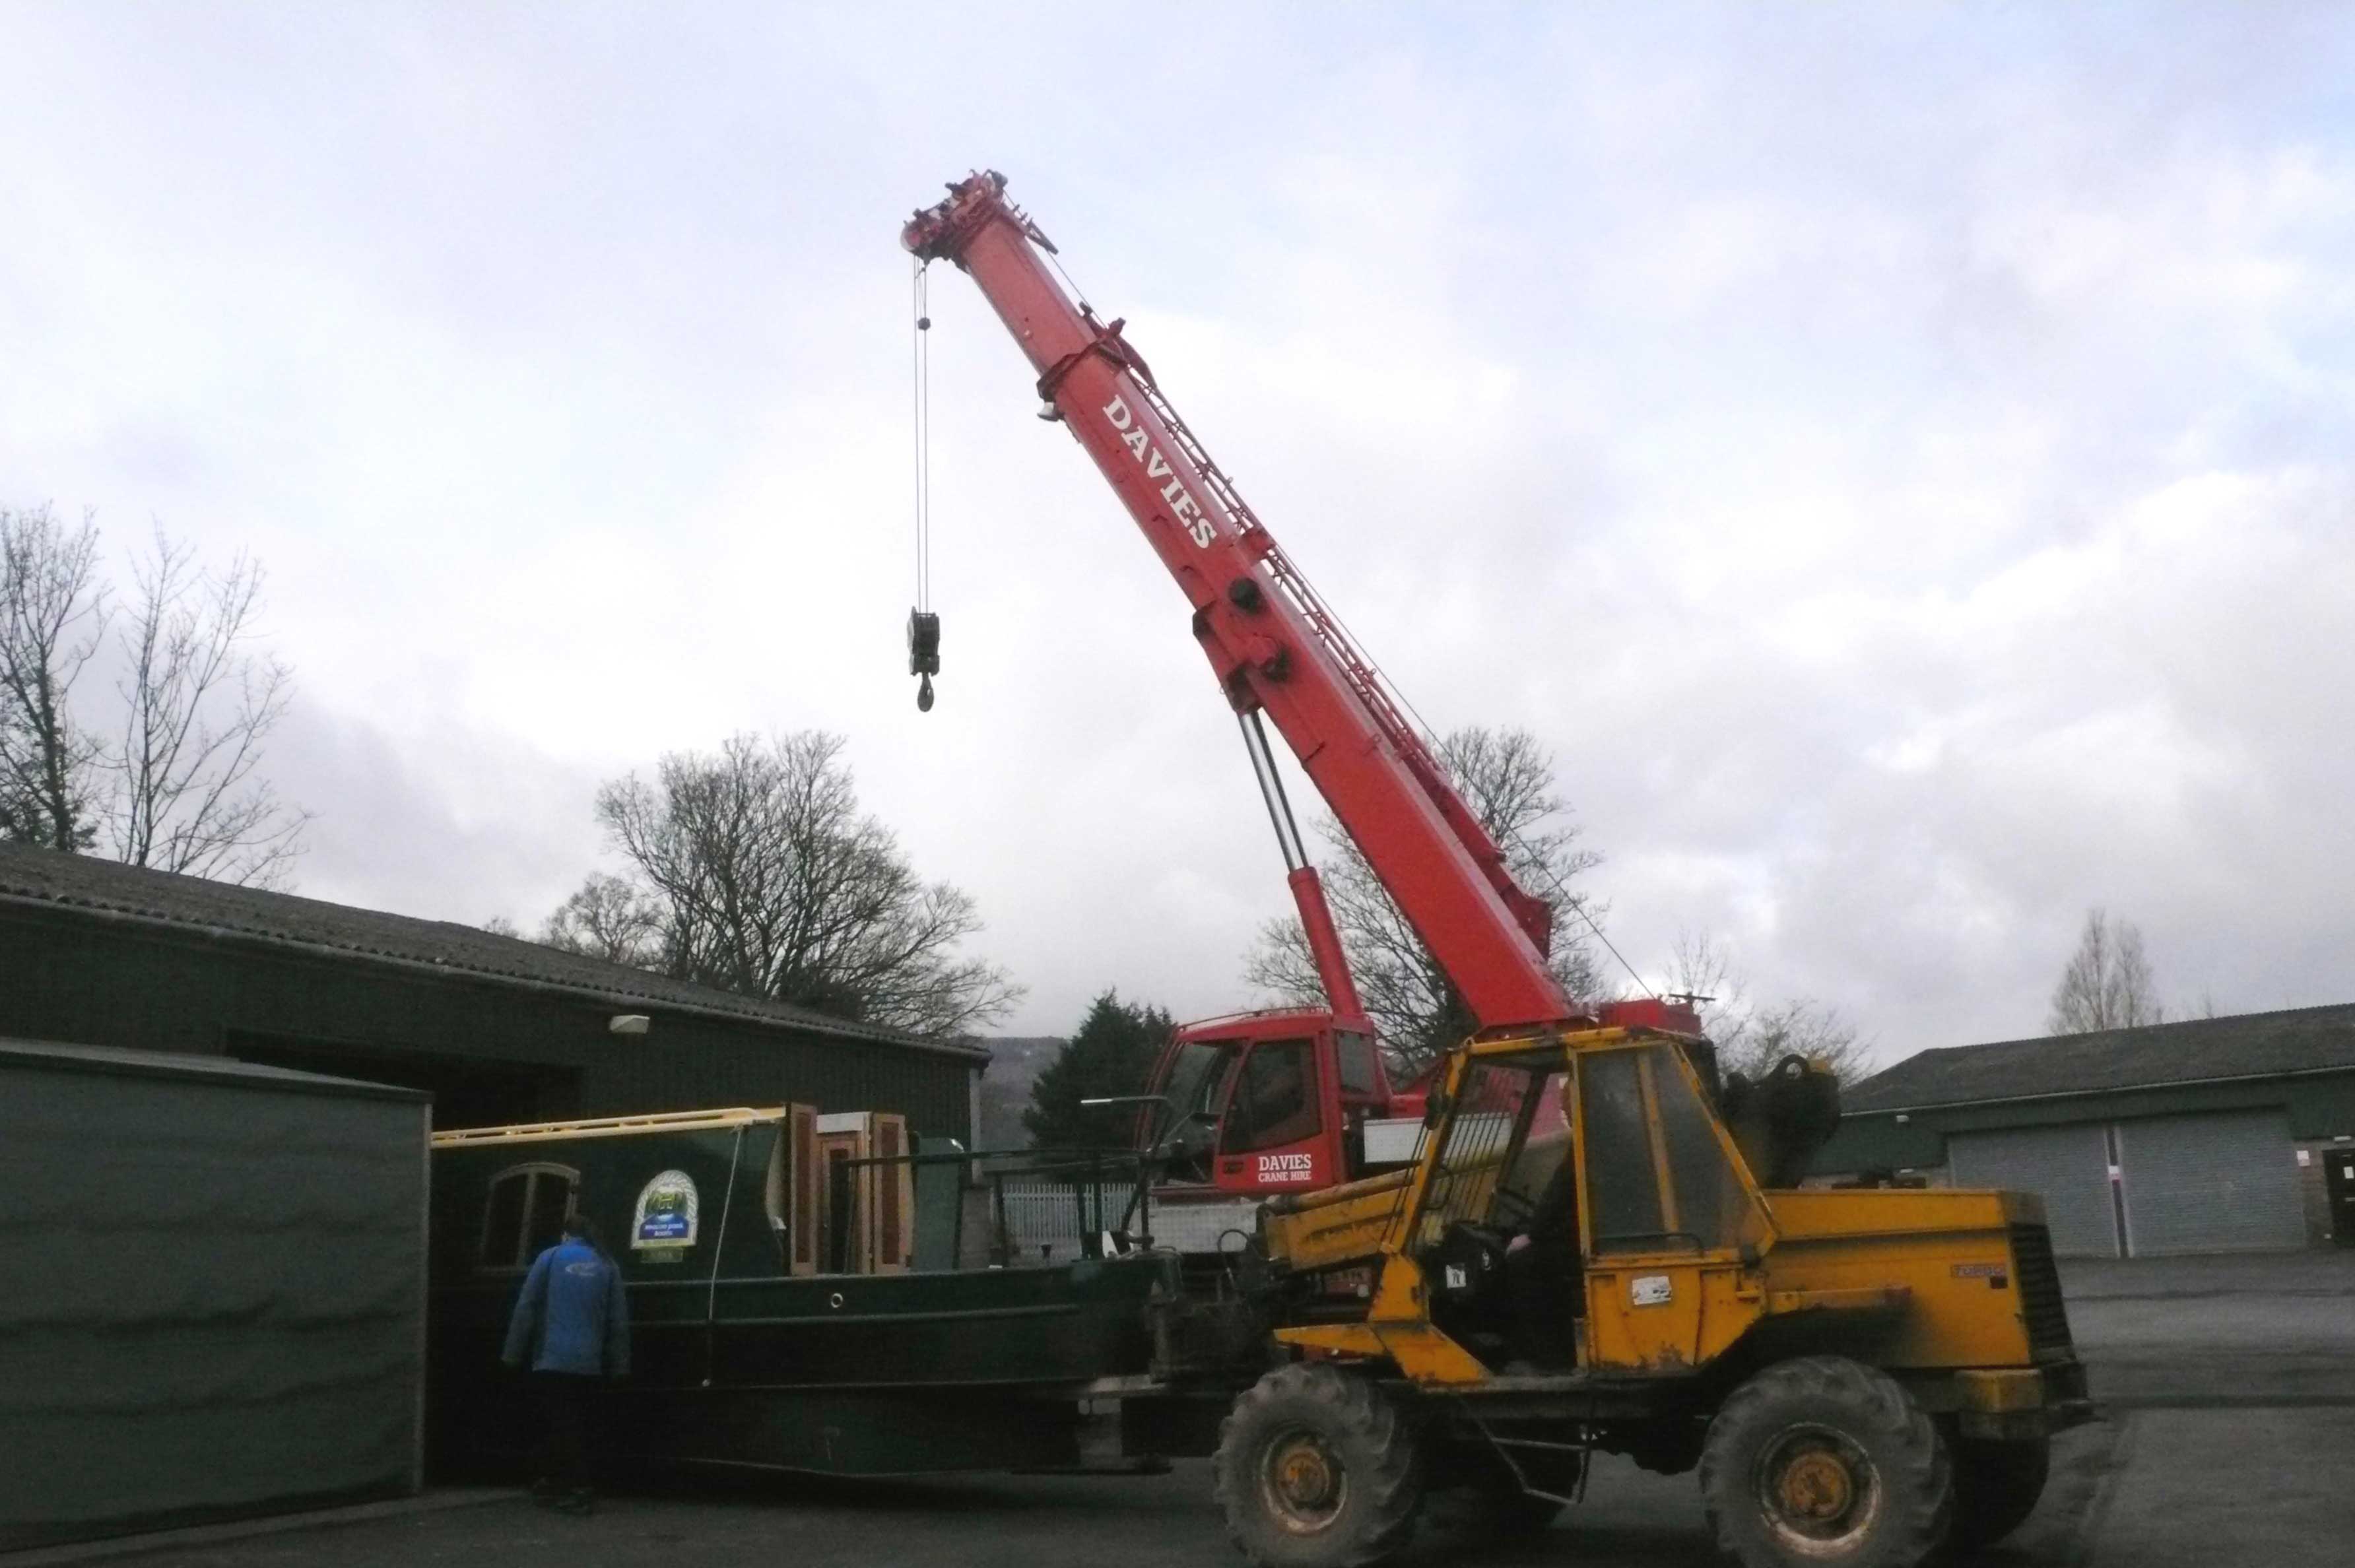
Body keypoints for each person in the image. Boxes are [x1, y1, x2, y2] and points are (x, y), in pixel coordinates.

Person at [502, 1212, 630, 1515]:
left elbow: (526, 1307)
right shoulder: (607, 1263)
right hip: (590, 1362)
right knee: (579, 1425)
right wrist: (621, 1365)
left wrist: (512, 1353)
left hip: (552, 1359)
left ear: (565, 1234)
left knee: (559, 1425)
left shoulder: (550, 1258)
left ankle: (574, 1486)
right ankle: (559, 1482)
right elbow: (618, 1321)